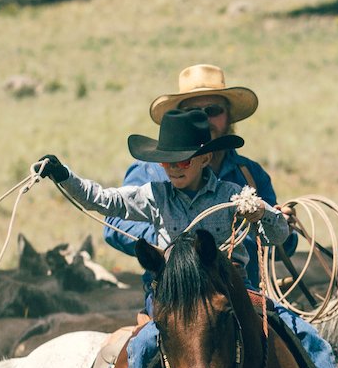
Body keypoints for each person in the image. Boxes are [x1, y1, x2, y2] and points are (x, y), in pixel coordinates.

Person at [30, 107, 338, 368]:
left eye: (183, 160)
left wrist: (264, 214)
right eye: (167, 162)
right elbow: (103, 199)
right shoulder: (154, 196)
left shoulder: (233, 194)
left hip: (232, 292)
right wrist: (63, 175)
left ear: (205, 157)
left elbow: (279, 237)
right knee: (144, 344)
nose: (173, 168)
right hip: (175, 300)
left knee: (300, 331)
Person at [101, 64, 291, 263]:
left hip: (238, 284)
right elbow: (115, 225)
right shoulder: (150, 169)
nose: (204, 119)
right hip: (171, 286)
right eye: (193, 112)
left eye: (213, 110)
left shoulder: (250, 173)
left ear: (228, 116)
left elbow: (278, 248)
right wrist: (176, 242)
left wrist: (280, 225)